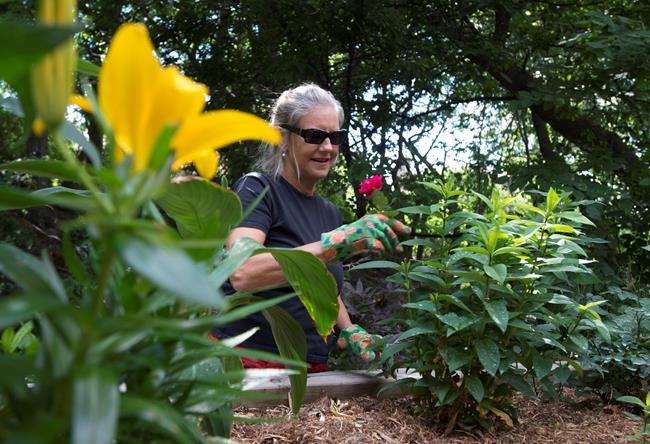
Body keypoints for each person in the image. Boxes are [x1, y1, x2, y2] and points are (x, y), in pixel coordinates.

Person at [210, 83, 410, 372]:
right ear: (282, 138)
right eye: (314, 135)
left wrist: (349, 330)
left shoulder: (329, 212)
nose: (327, 147)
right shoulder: (258, 190)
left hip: (311, 368)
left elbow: (321, 283)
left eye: (335, 137)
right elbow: (243, 272)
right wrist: (336, 243)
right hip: (248, 362)